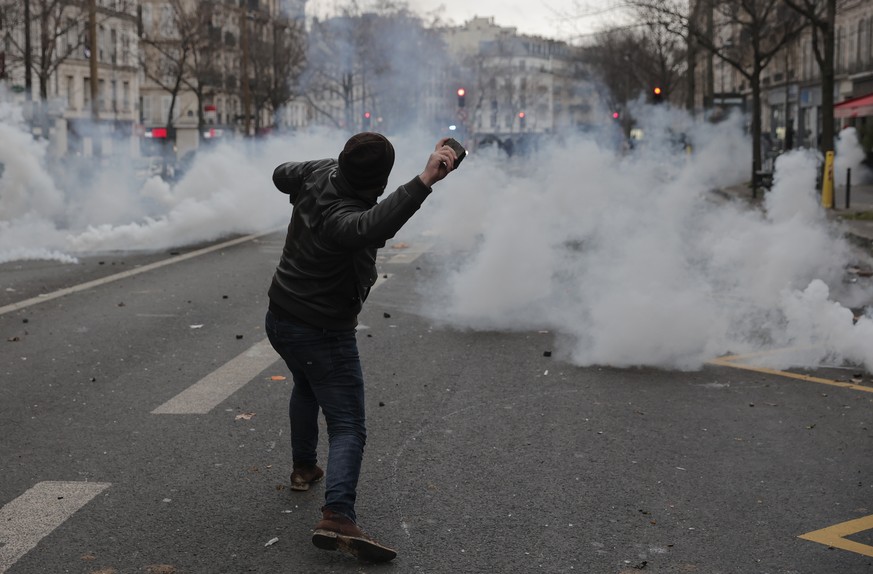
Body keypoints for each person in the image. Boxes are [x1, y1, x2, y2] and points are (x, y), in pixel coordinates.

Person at [265, 133, 458, 563]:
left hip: (280, 315)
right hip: (319, 329)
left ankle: (303, 468)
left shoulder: (320, 172)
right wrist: (426, 178)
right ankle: (337, 515)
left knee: (306, 384)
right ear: (380, 179)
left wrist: (310, 176)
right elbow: (375, 225)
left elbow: (281, 175)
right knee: (349, 424)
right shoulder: (345, 219)